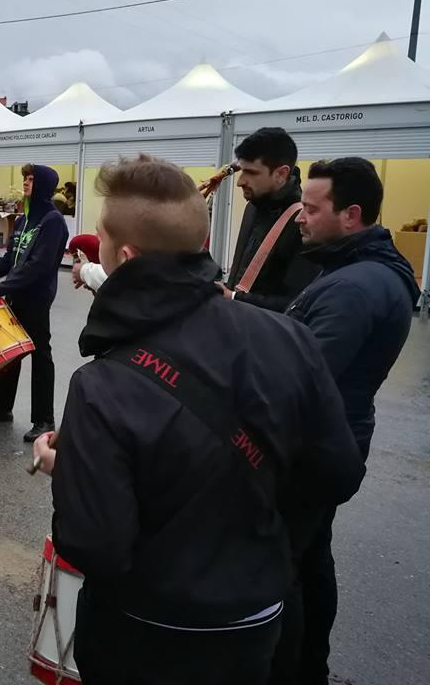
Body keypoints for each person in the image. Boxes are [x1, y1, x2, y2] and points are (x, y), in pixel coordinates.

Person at [33, 155, 365, 685]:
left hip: (144, 630)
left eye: (102, 239)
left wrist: (67, 470)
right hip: (257, 619)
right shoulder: (288, 336)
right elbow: (338, 473)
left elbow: (95, 544)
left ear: (126, 256)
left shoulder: (103, 385)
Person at [272, 158, 420, 685]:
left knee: (281, 568)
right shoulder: (358, 270)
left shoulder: (353, 288)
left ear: (351, 215)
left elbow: (302, 378)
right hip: (335, 440)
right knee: (311, 559)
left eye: (311, 209)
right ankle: (311, 667)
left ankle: (289, 670)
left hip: (312, 450)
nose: (300, 218)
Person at [0, 164, 69, 442]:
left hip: (37, 298)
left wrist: (1, 288)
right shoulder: (22, 221)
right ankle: (1, 407)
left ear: (44, 185)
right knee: (8, 354)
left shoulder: (53, 221)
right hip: (15, 295)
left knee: (40, 355)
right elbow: (9, 262)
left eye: (31, 179)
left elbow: (40, 266)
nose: (26, 183)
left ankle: (44, 420)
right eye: (25, 179)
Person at [223, 127, 318, 311]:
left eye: (251, 172)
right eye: (242, 170)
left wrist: (233, 297)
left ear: (281, 174)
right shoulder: (254, 206)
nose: (240, 181)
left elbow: (296, 304)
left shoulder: (303, 222)